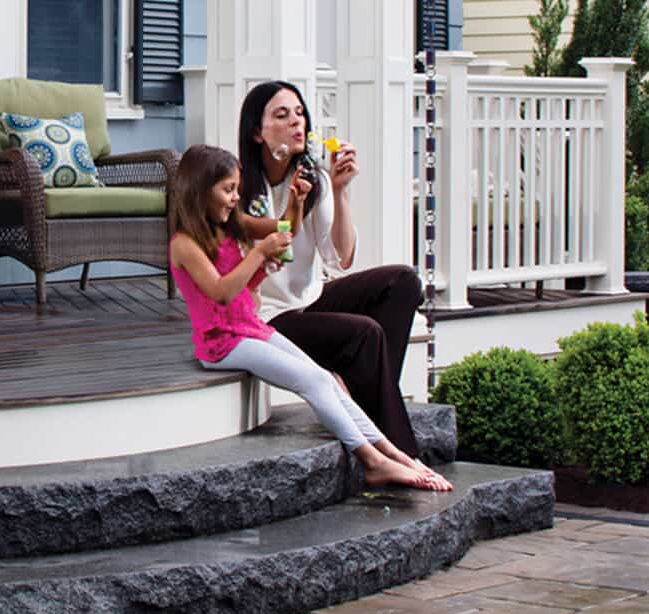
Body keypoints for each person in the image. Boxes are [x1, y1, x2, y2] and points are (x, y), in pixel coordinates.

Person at [167, 144, 448, 491]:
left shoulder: (231, 224)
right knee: (312, 381)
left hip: (249, 327)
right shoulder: (184, 244)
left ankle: (394, 453)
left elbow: (283, 229)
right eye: (228, 189)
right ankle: (372, 462)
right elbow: (221, 291)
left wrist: (296, 204)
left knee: (325, 377)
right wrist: (259, 253)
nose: (235, 198)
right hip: (222, 343)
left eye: (237, 188)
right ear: (199, 189)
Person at [233, 80, 428, 460]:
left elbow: (340, 258)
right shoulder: (240, 188)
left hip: (310, 300)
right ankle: (403, 453)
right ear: (257, 132)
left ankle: (363, 407)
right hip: (268, 317)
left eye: (300, 113)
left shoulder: (314, 179)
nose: (297, 122)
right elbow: (262, 257)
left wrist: (339, 190)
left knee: (403, 282)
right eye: (282, 115)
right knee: (365, 333)